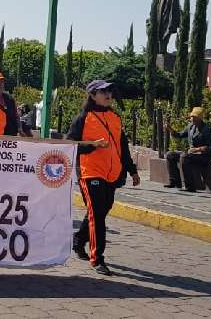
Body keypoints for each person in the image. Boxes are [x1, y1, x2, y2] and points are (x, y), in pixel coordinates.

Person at [67, 80, 139, 276]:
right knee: (97, 214)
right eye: (102, 92)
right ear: (92, 95)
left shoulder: (115, 117)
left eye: (109, 91)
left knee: (101, 211)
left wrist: (132, 170)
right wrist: (92, 145)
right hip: (90, 172)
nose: (107, 95)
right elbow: (70, 145)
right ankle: (97, 258)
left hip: (112, 173)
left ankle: (79, 240)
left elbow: (122, 147)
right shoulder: (83, 118)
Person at [165, 107, 211, 194]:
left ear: (200, 118)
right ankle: (175, 182)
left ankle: (190, 186)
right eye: (192, 117)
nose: (192, 119)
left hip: (203, 157)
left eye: (195, 117)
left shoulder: (207, 130)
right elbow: (180, 135)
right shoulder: (190, 127)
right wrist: (171, 130)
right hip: (192, 154)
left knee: (185, 157)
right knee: (170, 155)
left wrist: (197, 149)